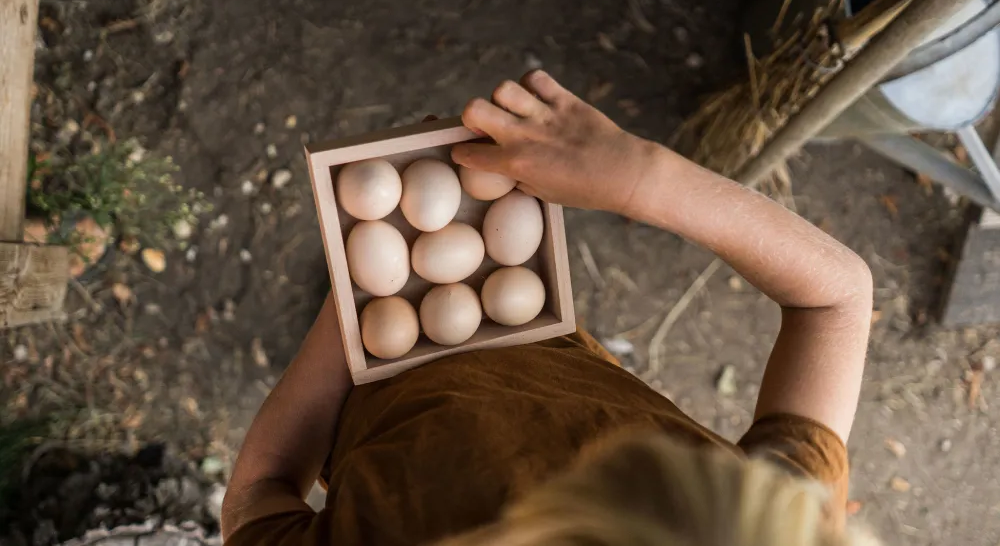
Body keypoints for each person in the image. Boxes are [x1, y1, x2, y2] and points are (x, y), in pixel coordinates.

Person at [221, 71, 876, 546]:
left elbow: (260, 492)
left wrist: (369, 287)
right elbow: (835, 298)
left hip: (370, 395)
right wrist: (641, 177)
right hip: (525, 335)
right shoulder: (756, 519)